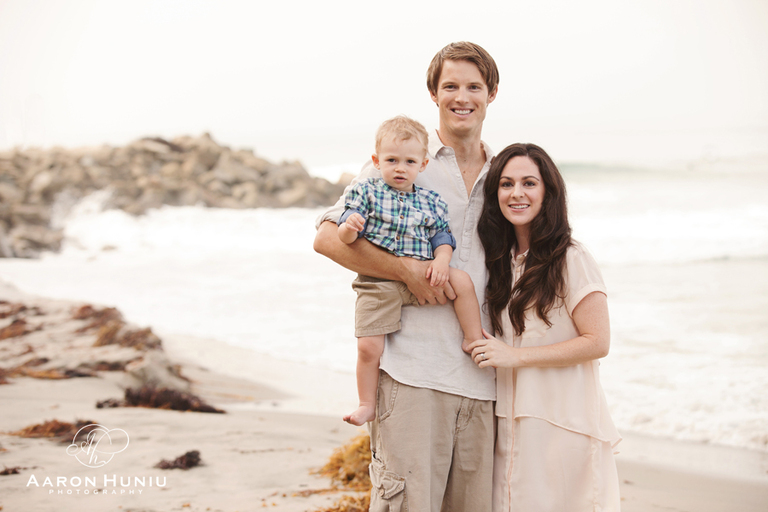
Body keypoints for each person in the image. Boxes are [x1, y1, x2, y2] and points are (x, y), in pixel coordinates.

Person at [314, 41, 499, 512]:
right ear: (433, 94)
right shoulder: (400, 159)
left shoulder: (504, 174)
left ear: (491, 94)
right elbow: (329, 240)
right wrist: (408, 271)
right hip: (411, 373)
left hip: (485, 381)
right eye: (450, 86)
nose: (463, 97)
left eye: (474, 86)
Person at [468, 143, 622, 512]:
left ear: (548, 192)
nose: (516, 193)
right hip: (513, 422)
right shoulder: (501, 263)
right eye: (506, 184)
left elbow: (598, 341)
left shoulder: (572, 257)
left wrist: (515, 357)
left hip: (564, 422)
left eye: (529, 183)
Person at [338, 115, 483, 427]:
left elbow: (443, 237)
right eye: (391, 160)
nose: (400, 168)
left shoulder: (431, 201)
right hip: (378, 281)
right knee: (368, 346)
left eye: (409, 162)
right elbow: (343, 236)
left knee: (463, 281)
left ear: (423, 165)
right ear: (377, 161)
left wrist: (442, 261)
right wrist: (350, 228)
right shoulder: (366, 191)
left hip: (426, 272)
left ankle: (472, 337)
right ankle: (366, 404)